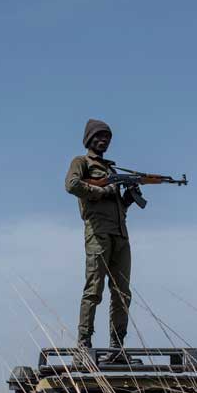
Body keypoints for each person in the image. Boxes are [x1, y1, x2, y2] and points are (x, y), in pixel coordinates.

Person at [64, 119, 141, 361]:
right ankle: (83, 345)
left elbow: (118, 207)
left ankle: (117, 347)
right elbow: (72, 185)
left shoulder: (112, 170)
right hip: (98, 233)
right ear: (88, 139)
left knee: (122, 293)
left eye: (107, 137)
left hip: (120, 235)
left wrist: (127, 198)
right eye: (99, 136)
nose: (104, 140)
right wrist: (103, 190)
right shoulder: (82, 163)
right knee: (93, 289)